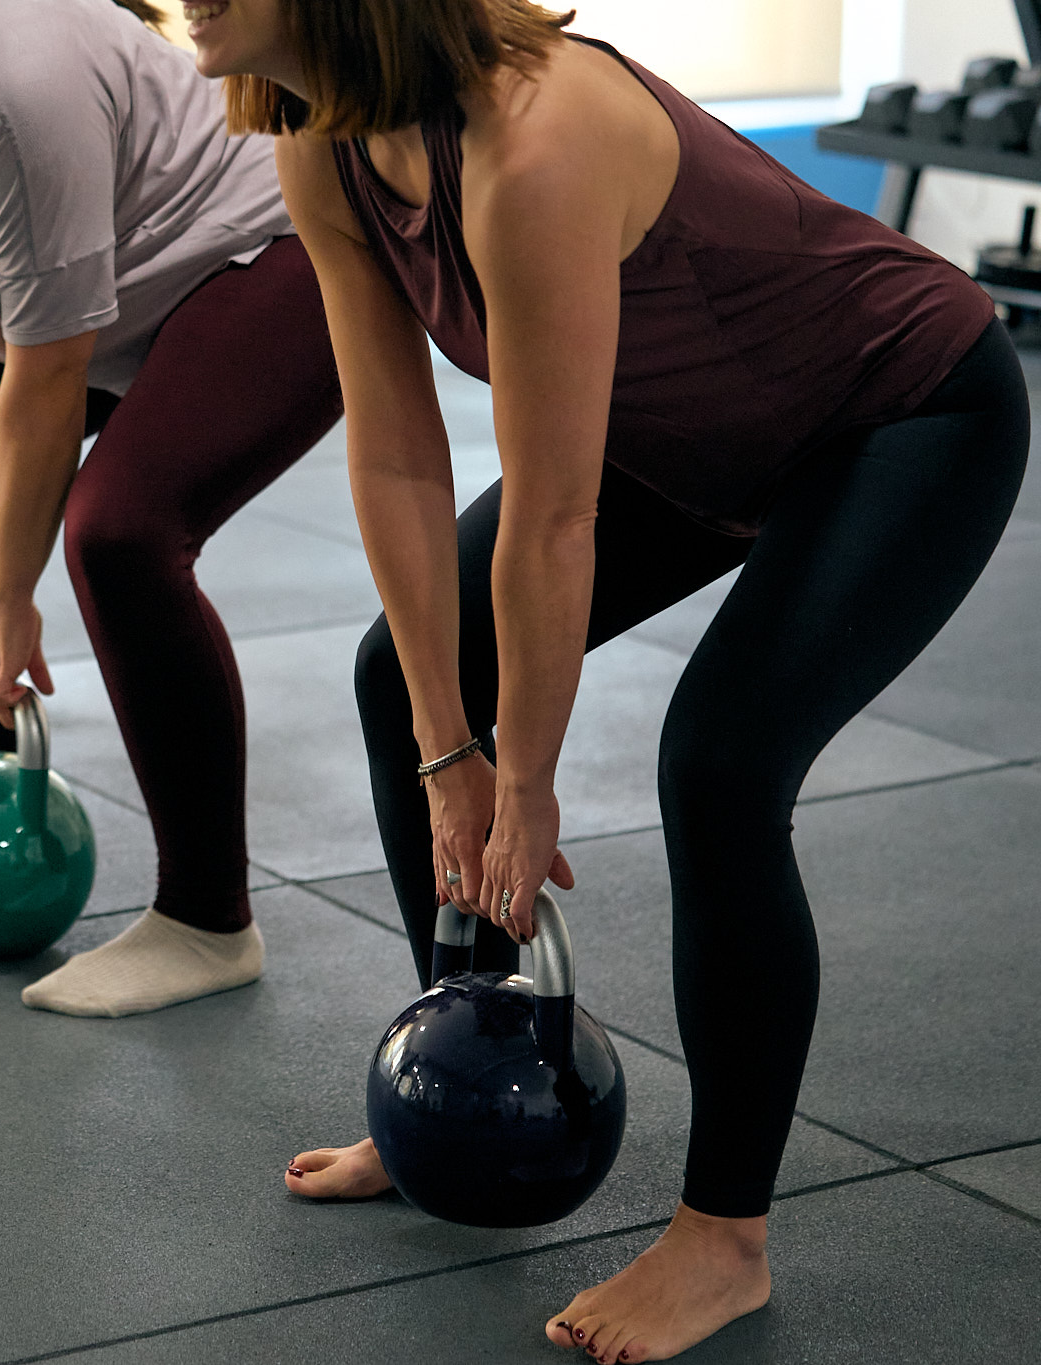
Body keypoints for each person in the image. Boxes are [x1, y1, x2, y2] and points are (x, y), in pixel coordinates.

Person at [187, 0, 1027, 1359]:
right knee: (399, 681)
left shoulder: (539, 136)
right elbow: (398, 455)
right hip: (696, 440)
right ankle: (453, 1087)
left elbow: (557, 516)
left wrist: (520, 782)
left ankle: (724, 1239)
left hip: (901, 413)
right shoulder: (326, 145)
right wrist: (452, 754)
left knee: (722, 767)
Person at [0, 0, 344, 1017]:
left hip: (263, 251)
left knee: (119, 531)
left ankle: (205, 919)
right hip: (117, 289)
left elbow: (43, 378)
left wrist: (5, 593)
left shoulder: (13, 77)